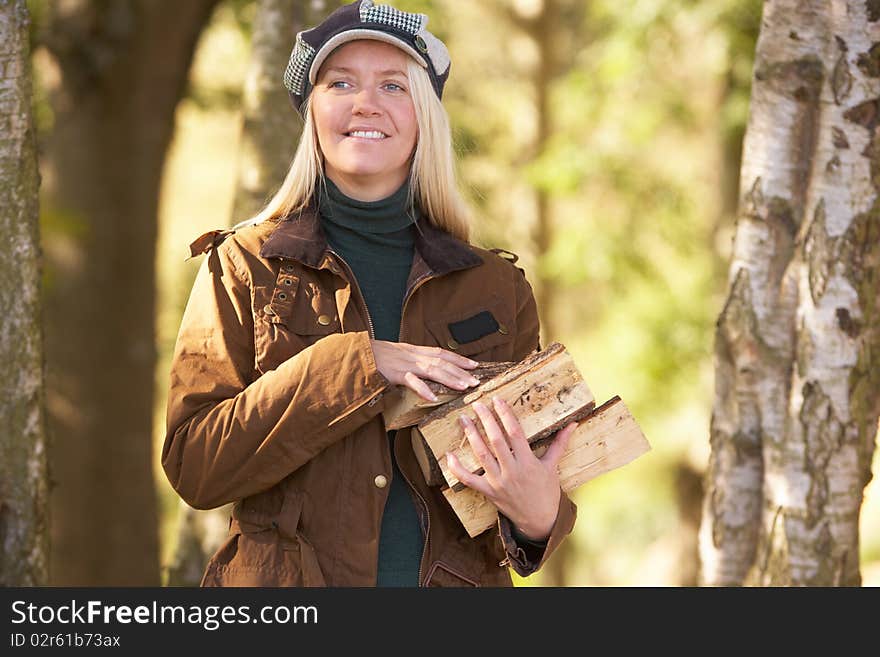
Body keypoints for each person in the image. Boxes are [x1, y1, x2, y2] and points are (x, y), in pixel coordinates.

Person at [162, 0, 578, 587]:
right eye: (341, 83)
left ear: (423, 117)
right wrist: (361, 363)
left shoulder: (496, 286)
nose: (366, 103)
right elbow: (195, 465)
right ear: (313, 114)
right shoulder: (242, 266)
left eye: (393, 85)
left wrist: (538, 519)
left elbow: (527, 483)